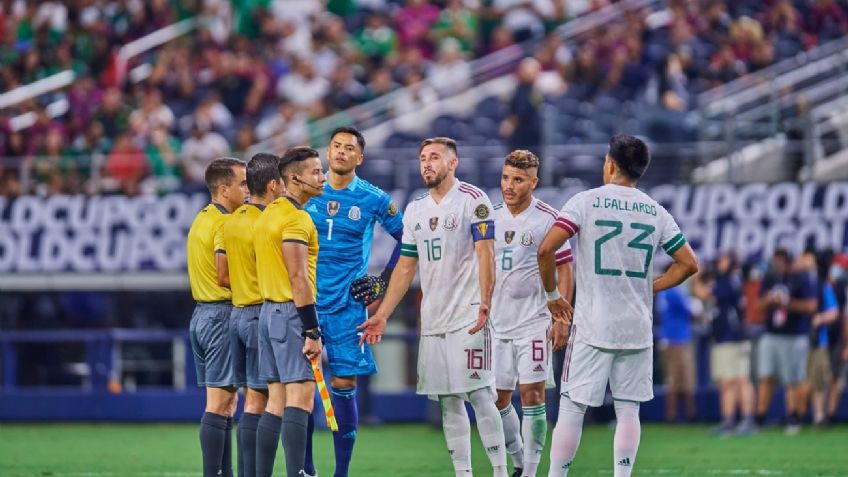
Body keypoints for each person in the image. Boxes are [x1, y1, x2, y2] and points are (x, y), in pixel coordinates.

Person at [538, 134, 698, 477]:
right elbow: (688, 264)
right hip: (637, 326)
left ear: (610, 164)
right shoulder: (655, 211)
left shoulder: (586, 201)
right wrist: (649, 287)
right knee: (629, 410)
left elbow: (546, 250)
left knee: (572, 406)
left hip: (594, 324)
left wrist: (553, 298)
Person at [358, 137, 509, 476]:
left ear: (453, 163)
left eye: (435, 157)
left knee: (480, 393)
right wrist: (382, 315)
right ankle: (463, 473)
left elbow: (487, 254)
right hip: (434, 319)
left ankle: (500, 471)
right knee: (448, 400)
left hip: (469, 313)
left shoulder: (474, 200)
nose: (426, 163)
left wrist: (486, 301)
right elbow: (406, 268)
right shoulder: (416, 208)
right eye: (423, 158)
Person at [305, 126, 404, 477]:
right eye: (336, 146)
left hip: (348, 304)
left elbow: (407, 239)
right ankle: (306, 469)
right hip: (305, 301)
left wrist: (382, 280)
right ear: (327, 152)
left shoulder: (374, 198)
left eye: (349, 148)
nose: (341, 152)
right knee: (301, 388)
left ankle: (341, 472)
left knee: (344, 384)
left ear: (360, 157)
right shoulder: (305, 190)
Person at [491, 150, 573, 477]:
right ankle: (519, 459)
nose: (509, 186)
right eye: (506, 178)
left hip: (533, 322)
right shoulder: (489, 217)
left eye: (518, 180)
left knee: (533, 394)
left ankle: (531, 472)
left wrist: (561, 317)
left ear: (534, 182)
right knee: (496, 399)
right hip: (496, 324)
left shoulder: (548, 218)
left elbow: (566, 269)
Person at [254, 146, 326, 477]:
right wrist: (311, 330)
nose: (322, 177)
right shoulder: (297, 218)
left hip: (268, 313)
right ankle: (298, 471)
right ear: (293, 177)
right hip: (290, 312)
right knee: (301, 396)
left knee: (275, 401)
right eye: (315, 171)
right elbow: (298, 276)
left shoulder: (267, 213)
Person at [218, 153, 286, 477]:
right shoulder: (269, 222)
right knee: (270, 402)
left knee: (250, 403)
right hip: (263, 314)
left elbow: (224, 274)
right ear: (273, 184)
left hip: (237, 315)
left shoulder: (230, 221)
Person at [187, 157, 248, 477]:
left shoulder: (203, 218)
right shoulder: (225, 223)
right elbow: (225, 277)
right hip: (221, 316)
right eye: (242, 184)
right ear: (224, 189)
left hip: (202, 315)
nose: (247, 189)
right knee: (220, 404)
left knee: (225, 405)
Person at [755, 249, 818, 435]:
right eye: (776, 261)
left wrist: (786, 304)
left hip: (794, 334)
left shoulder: (801, 278)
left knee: (793, 379)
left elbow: (810, 305)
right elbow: (758, 304)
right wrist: (769, 301)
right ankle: (760, 418)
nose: (778, 264)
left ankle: (794, 418)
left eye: (781, 261)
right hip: (772, 333)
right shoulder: (771, 278)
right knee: (766, 376)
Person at [699, 253, 756, 436]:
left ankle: (736, 421)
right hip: (732, 337)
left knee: (732, 381)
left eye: (723, 260)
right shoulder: (731, 279)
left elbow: (704, 294)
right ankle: (736, 421)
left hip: (730, 338)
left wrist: (693, 274)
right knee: (736, 381)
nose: (719, 262)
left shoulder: (727, 280)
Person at [802, 250, 839, 427]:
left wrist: (820, 318)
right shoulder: (798, 282)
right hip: (798, 338)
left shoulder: (822, 285)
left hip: (818, 340)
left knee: (817, 379)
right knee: (803, 379)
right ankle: (799, 414)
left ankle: (818, 415)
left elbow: (833, 312)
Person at [656, 280, 696, 423]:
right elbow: (689, 311)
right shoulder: (674, 292)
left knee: (671, 379)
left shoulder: (663, 292)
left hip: (667, 338)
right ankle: (689, 414)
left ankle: (671, 414)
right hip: (679, 339)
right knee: (685, 378)